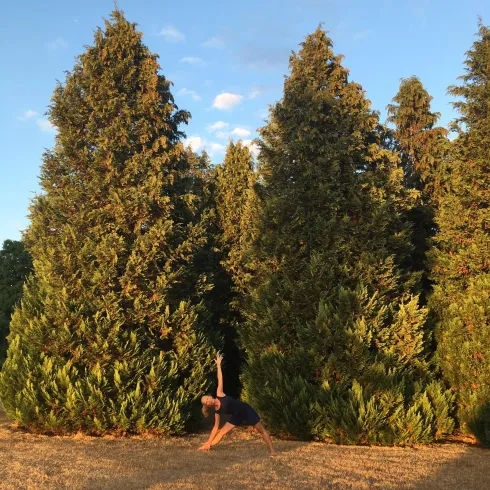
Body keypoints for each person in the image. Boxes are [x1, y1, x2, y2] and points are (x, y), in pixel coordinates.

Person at [198, 352, 276, 456]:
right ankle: (208, 446)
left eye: (207, 398)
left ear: (210, 397)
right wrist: (209, 441)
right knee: (221, 432)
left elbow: (220, 379)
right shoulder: (217, 412)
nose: (208, 401)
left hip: (246, 410)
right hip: (236, 416)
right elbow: (215, 428)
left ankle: (272, 451)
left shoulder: (219, 394)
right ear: (208, 405)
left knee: (261, 430)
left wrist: (218, 365)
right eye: (206, 402)